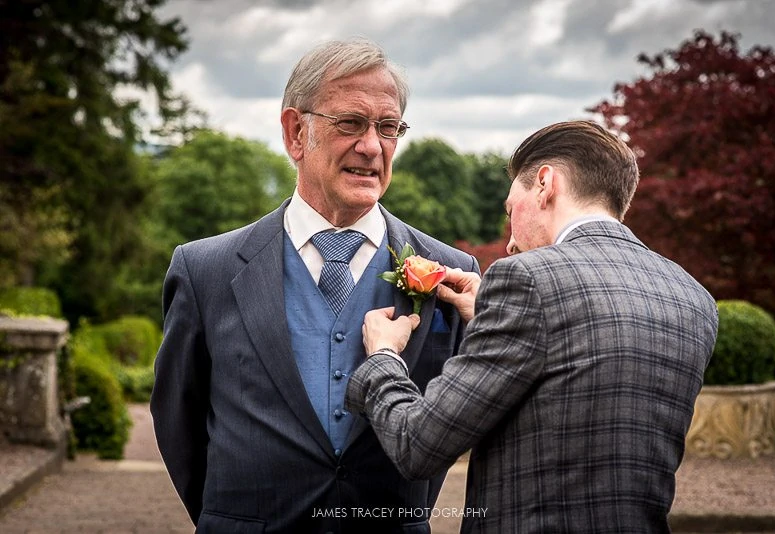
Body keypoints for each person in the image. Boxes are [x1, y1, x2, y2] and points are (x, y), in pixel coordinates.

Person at [150, 38, 479, 534]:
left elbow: (462, 420)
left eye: (388, 128)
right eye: (351, 123)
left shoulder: (452, 274)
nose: (372, 146)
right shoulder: (205, 270)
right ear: (295, 132)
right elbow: (178, 419)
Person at [345, 120, 719, 533]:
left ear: (544, 183)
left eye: (510, 211)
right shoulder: (694, 298)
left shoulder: (526, 278)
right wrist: (488, 316)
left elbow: (417, 446)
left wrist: (382, 356)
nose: (509, 243)